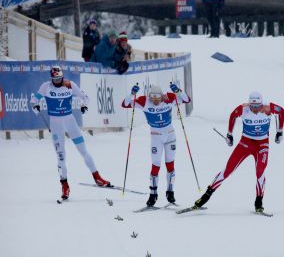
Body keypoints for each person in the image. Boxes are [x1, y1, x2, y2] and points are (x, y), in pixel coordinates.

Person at [193, 92, 284, 213]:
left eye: (258, 106)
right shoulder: (244, 109)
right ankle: (205, 196)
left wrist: (279, 131)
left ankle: (259, 201)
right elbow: (233, 116)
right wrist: (229, 134)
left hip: (262, 144)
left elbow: (281, 111)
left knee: (260, 171)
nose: (255, 109)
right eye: (253, 107)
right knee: (228, 169)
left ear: (261, 104)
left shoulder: (268, 107)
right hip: (246, 143)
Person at [30, 66, 111, 200]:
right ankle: (65, 186)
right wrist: (36, 106)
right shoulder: (46, 86)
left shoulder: (69, 85)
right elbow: (34, 100)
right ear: (51, 79)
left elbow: (85, 97)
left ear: (62, 77)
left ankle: (97, 177)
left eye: (59, 78)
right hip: (55, 125)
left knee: (83, 150)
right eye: (54, 79)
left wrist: (84, 105)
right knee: (61, 156)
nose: (57, 81)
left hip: (70, 122)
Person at [121, 83, 191, 207]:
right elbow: (125, 104)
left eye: (158, 99)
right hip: (156, 137)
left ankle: (170, 192)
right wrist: (132, 93)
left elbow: (186, 100)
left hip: (170, 135)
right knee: (155, 166)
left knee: (170, 164)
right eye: (153, 99)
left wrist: (178, 91)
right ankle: (153, 194)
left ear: (161, 96)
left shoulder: (169, 98)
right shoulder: (144, 101)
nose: (155, 102)